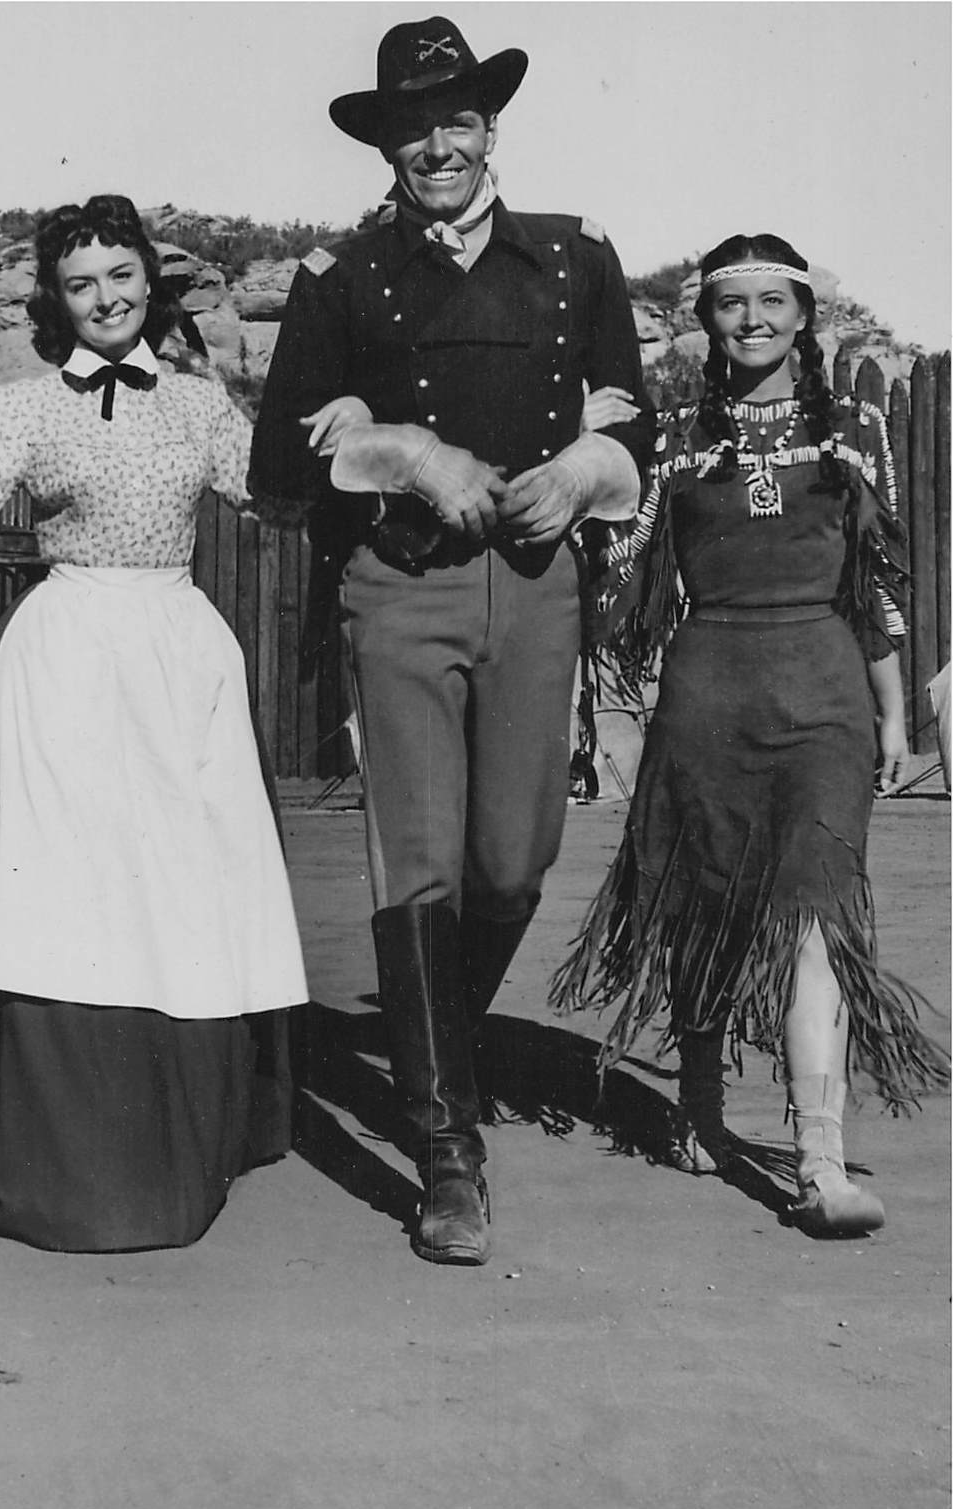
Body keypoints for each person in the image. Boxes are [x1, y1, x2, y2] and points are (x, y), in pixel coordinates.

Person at [249, 16, 655, 1265]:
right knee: (416, 860)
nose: (438, 144)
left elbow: (637, 424)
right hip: (402, 589)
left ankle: (442, 1050)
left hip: (536, 591)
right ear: (386, 144)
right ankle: (444, 1149)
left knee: (516, 858)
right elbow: (277, 469)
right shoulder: (341, 280)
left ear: (492, 128)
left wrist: (584, 469)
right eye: (413, 126)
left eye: (459, 119)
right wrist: (404, 454)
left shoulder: (575, 262)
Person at [0, 195, 308, 1252]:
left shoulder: (199, 404)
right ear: (57, 301)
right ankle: (70, 1153)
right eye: (81, 283)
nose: (105, 298)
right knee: (66, 891)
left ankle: (177, 1136)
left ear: (151, 278)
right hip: (65, 663)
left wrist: (352, 444)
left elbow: (278, 502)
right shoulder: (23, 405)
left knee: (178, 892)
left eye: (120, 275)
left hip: (177, 657)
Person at [552, 234, 949, 1234]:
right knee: (708, 907)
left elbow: (880, 582)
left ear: (805, 315)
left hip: (825, 695)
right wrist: (577, 449)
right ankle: (698, 1104)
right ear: (707, 318)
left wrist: (896, 713)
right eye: (735, 304)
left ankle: (820, 1162)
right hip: (707, 696)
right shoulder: (676, 435)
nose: (755, 320)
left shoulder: (855, 424)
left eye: (775, 302)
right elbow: (622, 572)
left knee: (819, 912)